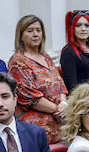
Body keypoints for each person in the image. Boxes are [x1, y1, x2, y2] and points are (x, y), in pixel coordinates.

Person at [8, 14, 67, 143]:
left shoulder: (46, 57)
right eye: (30, 31)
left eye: (38, 30)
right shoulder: (18, 62)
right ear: (21, 36)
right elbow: (30, 98)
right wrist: (59, 110)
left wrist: (64, 104)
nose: (35, 34)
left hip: (59, 117)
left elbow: (60, 85)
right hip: (36, 124)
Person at [60, 9, 89, 90]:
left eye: (87, 25)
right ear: (72, 28)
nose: (83, 29)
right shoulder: (68, 52)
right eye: (78, 25)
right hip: (83, 98)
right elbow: (72, 86)